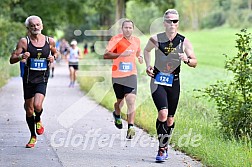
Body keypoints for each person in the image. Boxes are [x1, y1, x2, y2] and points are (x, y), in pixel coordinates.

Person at [144, 9, 197, 162]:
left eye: (175, 21)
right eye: (169, 21)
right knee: (163, 113)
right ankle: (161, 149)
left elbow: (194, 62)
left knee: (170, 120)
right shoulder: (155, 39)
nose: (172, 24)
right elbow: (146, 51)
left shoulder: (184, 41)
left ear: (178, 23)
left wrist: (186, 59)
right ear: (164, 23)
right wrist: (148, 66)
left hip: (174, 83)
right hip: (158, 81)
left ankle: (165, 145)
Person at [10, 15, 57, 148]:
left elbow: (55, 53)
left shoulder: (49, 41)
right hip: (28, 79)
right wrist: (20, 56)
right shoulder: (24, 42)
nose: (35, 27)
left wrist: (53, 57)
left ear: (41, 26)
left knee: (37, 106)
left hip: (42, 78)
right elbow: (12, 59)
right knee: (29, 110)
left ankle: (38, 119)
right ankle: (33, 136)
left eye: (37, 24)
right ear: (28, 28)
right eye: (32, 25)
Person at [104, 19, 143, 139]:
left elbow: (138, 52)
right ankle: (117, 114)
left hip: (131, 75)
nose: (128, 30)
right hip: (117, 76)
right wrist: (121, 54)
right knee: (120, 102)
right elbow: (106, 55)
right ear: (122, 28)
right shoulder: (115, 40)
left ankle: (131, 127)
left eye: (130, 28)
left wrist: (140, 56)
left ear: (133, 29)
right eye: (126, 27)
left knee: (131, 100)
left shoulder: (136, 41)